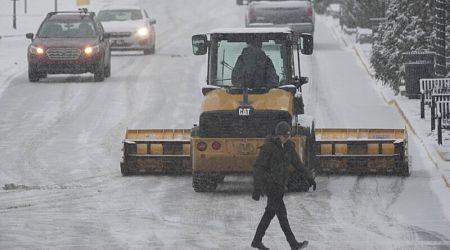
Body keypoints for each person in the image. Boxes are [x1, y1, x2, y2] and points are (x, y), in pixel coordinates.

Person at [251, 121, 316, 250]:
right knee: (279, 216)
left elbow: (298, 165)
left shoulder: (289, 147)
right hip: (271, 185)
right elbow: (258, 168)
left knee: (274, 214)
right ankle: (293, 244)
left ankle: (257, 241)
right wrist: (257, 188)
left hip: (280, 185)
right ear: (278, 135)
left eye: (288, 136)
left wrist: (309, 177)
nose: (287, 138)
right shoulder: (269, 148)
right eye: (284, 136)